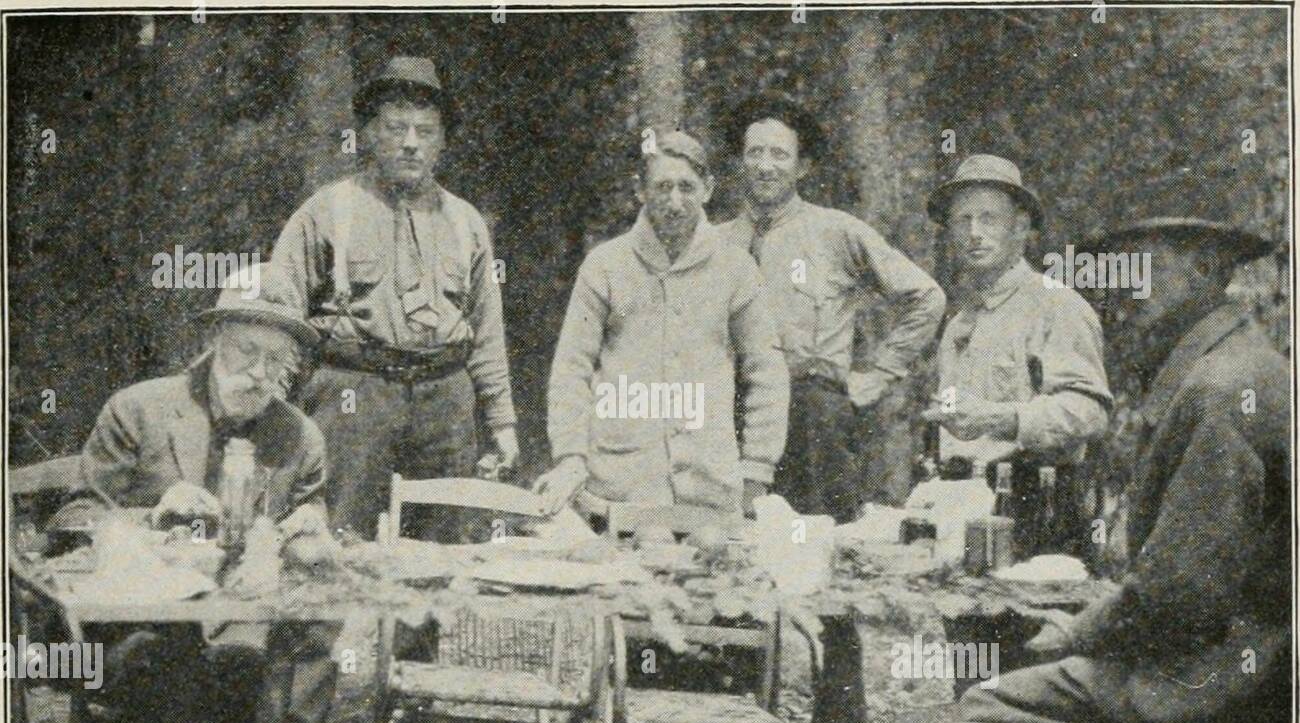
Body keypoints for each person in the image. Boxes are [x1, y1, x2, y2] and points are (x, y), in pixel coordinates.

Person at [961, 176, 1290, 723]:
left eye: (1143, 268)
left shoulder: (1221, 389)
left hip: (1216, 689)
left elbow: (1182, 589)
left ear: (1206, 269)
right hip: (1231, 665)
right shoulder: (1237, 361)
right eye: (1118, 269)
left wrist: (1072, 635)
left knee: (984, 703)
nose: (1124, 288)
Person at [74, 265, 331, 723]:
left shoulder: (298, 436)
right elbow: (75, 515)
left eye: (276, 359)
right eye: (245, 352)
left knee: (244, 666)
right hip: (130, 630)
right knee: (185, 667)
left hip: (238, 626)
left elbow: (312, 512)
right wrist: (152, 516)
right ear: (215, 339)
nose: (259, 372)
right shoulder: (139, 408)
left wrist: (308, 525)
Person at [273, 56, 517, 542]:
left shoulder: (466, 222)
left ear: (442, 142)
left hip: (445, 400)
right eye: (396, 127)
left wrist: (503, 423)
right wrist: (270, 416)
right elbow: (279, 320)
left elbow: (487, 331)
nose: (411, 142)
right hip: (354, 396)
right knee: (341, 541)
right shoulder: (326, 212)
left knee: (445, 548)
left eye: (426, 131)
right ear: (368, 134)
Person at [535, 130, 789, 521]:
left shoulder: (736, 269)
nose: (674, 202)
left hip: (708, 494)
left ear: (707, 189)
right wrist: (571, 457)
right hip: (619, 491)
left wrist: (757, 467)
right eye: (662, 187)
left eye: (686, 188)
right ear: (641, 190)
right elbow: (572, 368)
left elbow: (767, 371)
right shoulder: (605, 266)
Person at [717, 91, 945, 522]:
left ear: (803, 166)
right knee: (728, 550)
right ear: (740, 161)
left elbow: (927, 297)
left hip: (812, 422)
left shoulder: (836, 232)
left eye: (780, 155)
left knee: (819, 549)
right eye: (755, 153)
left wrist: (878, 375)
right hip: (730, 418)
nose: (766, 166)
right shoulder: (713, 244)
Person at [922, 154, 1111, 557]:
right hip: (964, 504)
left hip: (1037, 503)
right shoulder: (959, 323)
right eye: (962, 220)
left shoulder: (1055, 306)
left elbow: (1090, 411)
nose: (974, 233)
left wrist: (1000, 418)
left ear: (1020, 228)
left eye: (989, 219)